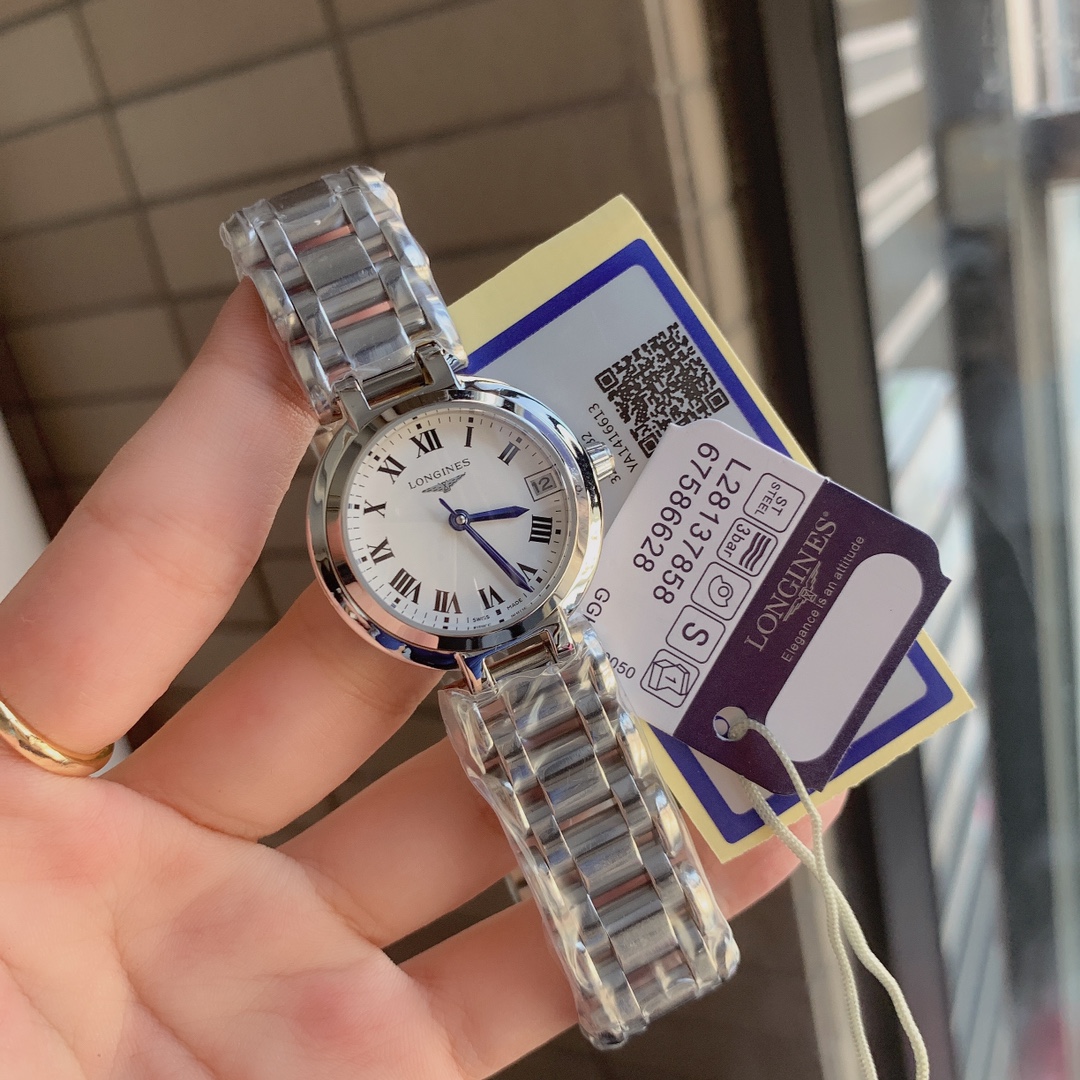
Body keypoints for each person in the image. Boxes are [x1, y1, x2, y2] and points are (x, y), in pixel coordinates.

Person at [0, 282, 840, 1078]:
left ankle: (649, 947)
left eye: (469, 512)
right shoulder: (383, 544)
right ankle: (650, 949)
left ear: (576, 474)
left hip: (533, 636)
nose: (458, 515)